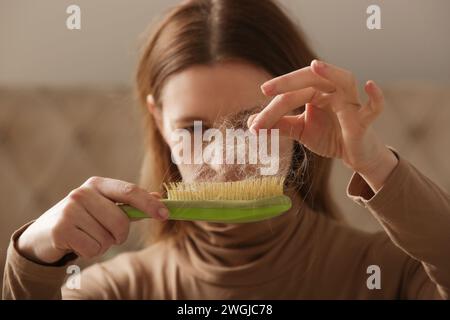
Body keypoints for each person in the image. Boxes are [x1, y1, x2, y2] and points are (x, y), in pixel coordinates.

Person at [3, 0, 449, 299]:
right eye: (194, 129)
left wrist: (375, 164)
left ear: (303, 114)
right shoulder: (110, 290)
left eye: (255, 123)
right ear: (159, 121)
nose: (225, 159)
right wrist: (33, 254)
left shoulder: (395, 275)